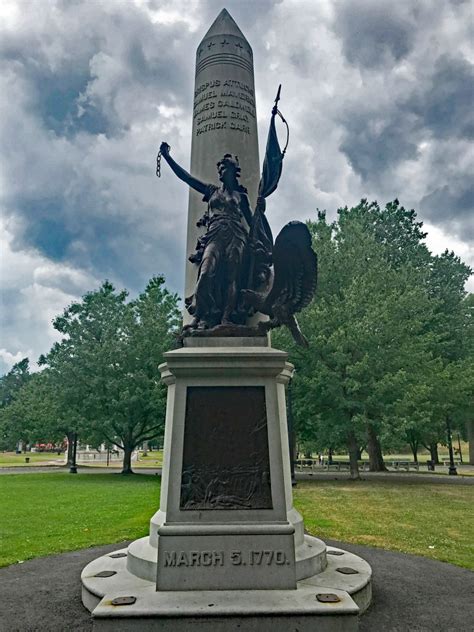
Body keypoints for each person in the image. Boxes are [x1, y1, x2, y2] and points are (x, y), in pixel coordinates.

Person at [159, 142, 253, 329]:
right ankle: (201, 315)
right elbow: (187, 178)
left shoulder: (240, 197)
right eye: (219, 168)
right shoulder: (212, 191)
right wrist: (168, 158)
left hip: (236, 235)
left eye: (223, 168)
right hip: (215, 234)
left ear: (232, 171)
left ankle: (226, 318)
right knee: (205, 273)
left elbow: (253, 222)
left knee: (232, 278)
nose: (220, 172)